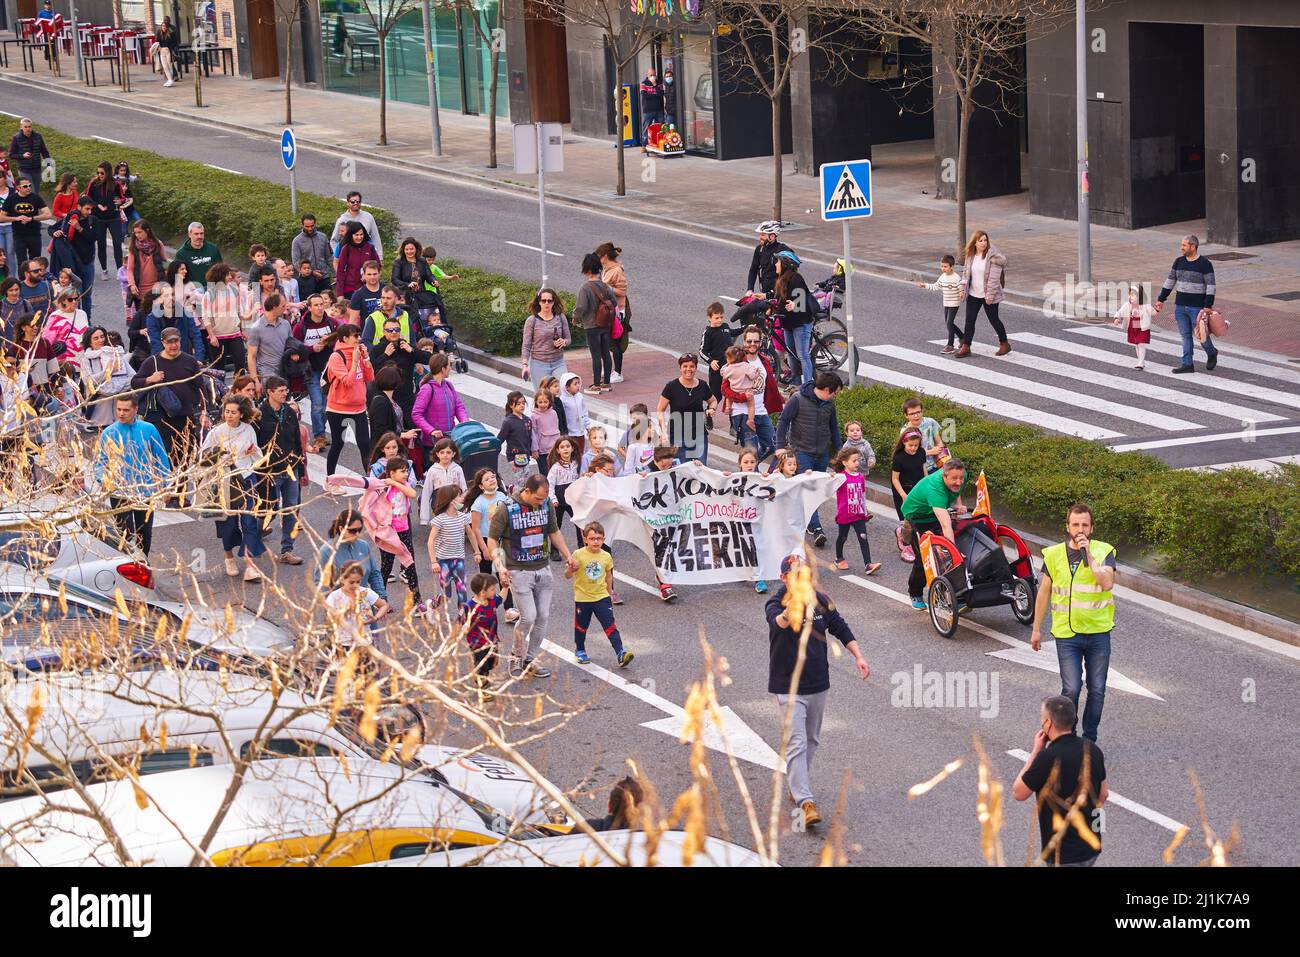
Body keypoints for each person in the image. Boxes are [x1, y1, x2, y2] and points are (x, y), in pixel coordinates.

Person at [767, 553, 870, 829]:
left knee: (812, 740)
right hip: (788, 687)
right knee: (797, 741)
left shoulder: (820, 600)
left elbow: (840, 626)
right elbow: (778, 622)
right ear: (784, 578)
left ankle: (796, 784)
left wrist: (858, 656)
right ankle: (805, 800)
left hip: (817, 682)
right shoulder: (775, 603)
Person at [1030, 503, 1117, 743]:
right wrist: (1036, 629)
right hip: (1067, 635)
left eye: (1085, 525)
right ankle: (1067, 738)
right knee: (1071, 690)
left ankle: (1089, 740)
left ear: (1091, 528)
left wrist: (1087, 555)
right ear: (1067, 526)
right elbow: (1044, 593)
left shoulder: (1103, 551)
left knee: (1097, 689)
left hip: (1098, 633)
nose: (1080, 529)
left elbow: (1107, 583)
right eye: (1075, 524)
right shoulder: (1054, 554)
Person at [487, 473, 578, 679]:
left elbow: (554, 532)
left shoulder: (546, 505)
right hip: (518, 570)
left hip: (542, 568)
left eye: (543, 499)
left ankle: (529, 658)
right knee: (528, 616)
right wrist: (500, 566)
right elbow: (492, 540)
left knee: (543, 616)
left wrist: (568, 555)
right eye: (537, 498)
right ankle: (516, 656)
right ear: (526, 491)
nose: (540, 503)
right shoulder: (507, 508)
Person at [1012, 695, 1108, 867]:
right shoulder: (1093, 749)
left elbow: (1019, 792)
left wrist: (1036, 750)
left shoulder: (1047, 758)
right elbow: (1103, 795)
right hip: (1090, 848)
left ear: (1048, 724)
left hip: (1063, 855)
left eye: (1042, 719)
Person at [201, 393, 268, 583]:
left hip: (246, 479)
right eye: (226, 411)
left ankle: (250, 565)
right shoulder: (216, 432)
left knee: (250, 522)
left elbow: (258, 455)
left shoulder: (248, 430)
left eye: (233, 412)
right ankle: (229, 557)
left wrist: (252, 451)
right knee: (228, 524)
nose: (229, 415)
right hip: (225, 482)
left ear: (241, 414)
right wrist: (221, 457)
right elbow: (203, 456)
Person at [94, 395, 171, 556]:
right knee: (124, 533)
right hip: (118, 491)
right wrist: (104, 480)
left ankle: (144, 562)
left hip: (144, 489)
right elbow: (100, 462)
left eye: (126, 410)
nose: (121, 413)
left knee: (145, 532)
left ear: (136, 410)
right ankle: (127, 563)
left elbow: (161, 459)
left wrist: (166, 486)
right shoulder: (109, 432)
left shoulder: (148, 429)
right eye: (119, 409)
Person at [776, 371, 843, 546]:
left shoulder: (829, 404)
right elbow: (783, 421)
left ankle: (805, 520)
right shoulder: (798, 399)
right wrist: (779, 447)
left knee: (817, 491)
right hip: (802, 452)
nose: (836, 396)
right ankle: (816, 528)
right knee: (810, 489)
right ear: (827, 389)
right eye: (836, 392)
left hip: (821, 453)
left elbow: (834, 427)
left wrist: (841, 452)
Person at [900, 459, 968, 610]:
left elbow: (958, 489)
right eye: (954, 479)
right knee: (926, 558)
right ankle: (915, 593)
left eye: (961, 478)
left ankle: (952, 595)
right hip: (918, 517)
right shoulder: (935, 489)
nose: (959, 481)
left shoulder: (961, 474)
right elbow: (945, 525)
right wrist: (954, 552)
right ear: (944, 477)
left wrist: (958, 503)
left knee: (944, 557)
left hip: (936, 512)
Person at [254, 375, 306, 566]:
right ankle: (254, 536)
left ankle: (287, 550)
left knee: (291, 510)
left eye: (286, 390)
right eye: (281, 390)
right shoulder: (260, 414)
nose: (285, 393)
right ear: (270, 392)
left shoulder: (289, 413)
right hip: (269, 471)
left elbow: (296, 441)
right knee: (269, 509)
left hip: (291, 468)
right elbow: (255, 444)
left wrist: (301, 466)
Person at [567, 521, 632, 667]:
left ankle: (620, 652)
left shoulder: (606, 556)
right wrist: (571, 569)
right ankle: (580, 650)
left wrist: (609, 595)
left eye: (599, 538)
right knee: (581, 626)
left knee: (610, 625)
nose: (595, 541)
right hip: (583, 599)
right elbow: (567, 575)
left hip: (601, 597)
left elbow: (608, 576)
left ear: (603, 539)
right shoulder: (578, 554)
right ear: (585, 540)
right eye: (592, 538)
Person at [1155, 233, 1218, 374]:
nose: (1181, 248)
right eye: (1182, 245)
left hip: (1197, 308)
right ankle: (1187, 364)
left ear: (1193, 246)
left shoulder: (1205, 264)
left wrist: (1208, 305)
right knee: (1185, 335)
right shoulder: (1178, 262)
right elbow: (1170, 282)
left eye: (1184, 245)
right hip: (1180, 307)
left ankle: (1212, 352)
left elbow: (1211, 286)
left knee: (1202, 336)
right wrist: (1161, 299)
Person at [724, 325, 783, 463]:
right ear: (744, 342)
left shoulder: (764, 361)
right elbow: (725, 389)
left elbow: (770, 385)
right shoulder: (737, 361)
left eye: (756, 341)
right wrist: (742, 397)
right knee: (751, 452)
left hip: (761, 412)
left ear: (760, 343)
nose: (752, 344)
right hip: (743, 414)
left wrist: (781, 401)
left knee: (772, 447)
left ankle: (748, 467)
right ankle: (751, 471)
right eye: (749, 341)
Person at [323, 323, 374, 477]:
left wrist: (365, 359)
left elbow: (370, 377)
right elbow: (347, 381)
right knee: (338, 444)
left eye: (359, 335)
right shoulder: (336, 356)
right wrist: (354, 361)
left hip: (358, 407)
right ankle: (330, 479)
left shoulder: (358, 353)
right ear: (345, 338)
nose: (359, 339)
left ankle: (371, 480)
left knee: (365, 445)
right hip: (337, 408)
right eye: (355, 336)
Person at [954, 230, 1010, 357]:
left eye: (985, 240)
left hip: (988, 295)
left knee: (994, 319)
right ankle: (966, 346)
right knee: (969, 321)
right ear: (975, 243)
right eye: (980, 241)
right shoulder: (971, 256)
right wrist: (963, 288)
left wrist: (989, 296)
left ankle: (1004, 344)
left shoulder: (993, 257)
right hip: (974, 294)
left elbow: (994, 280)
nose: (983, 243)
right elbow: (966, 274)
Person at [292, 292, 335, 451]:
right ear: (309, 308)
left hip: (328, 370)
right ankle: (319, 437)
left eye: (321, 304)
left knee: (325, 405)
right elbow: (294, 348)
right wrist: (311, 348)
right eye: (316, 305)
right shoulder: (301, 327)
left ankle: (321, 432)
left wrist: (329, 340)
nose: (319, 307)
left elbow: (340, 338)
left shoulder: (331, 322)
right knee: (317, 404)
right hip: (310, 370)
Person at [657, 353, 716, 465]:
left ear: (696, 368)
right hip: (678, 436)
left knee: (701, 469)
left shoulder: (702, 385)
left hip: (699, 434)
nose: (688, 369)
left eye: (692, 366)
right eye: (685, 366)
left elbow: (713, 400)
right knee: (682, 470)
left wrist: (711, 409)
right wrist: (664, 433)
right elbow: (660, 410)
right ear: (680, 368)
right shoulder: (671, 386)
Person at [317, 507, 387, 598]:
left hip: (364, 605)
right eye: (353, 531)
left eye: (359, 529)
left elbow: (374, 574)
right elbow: (322, 586)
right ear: (341, 528)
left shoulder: (364, 546)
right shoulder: (326, 551)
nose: (357, 534)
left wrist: (382, 597)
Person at [831, 447, 880, 575]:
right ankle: (839, 558)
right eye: (854, 460)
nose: (857, 463)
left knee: (863, 538)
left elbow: (862, 496)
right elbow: (828, 486)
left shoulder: (860, 477)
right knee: (842, 537)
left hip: (858, 515)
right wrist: (832, 477)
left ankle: (868, 564)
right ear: (844, 462)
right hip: (844, 515)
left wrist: (865, 511)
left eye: (858, 460)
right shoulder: (840, 477)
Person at [427, 482, 474, 616]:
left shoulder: (463, 517)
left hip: (459, 560)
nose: (462, 499)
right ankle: (432, 604)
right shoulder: (439, 520)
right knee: (446, 595)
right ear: (451, 500)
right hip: (443, 562)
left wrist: (477, 552)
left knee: (462, 590)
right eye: (459, 496)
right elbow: (430, 541)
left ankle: (463, 617)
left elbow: (470, 534)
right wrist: (433, 561)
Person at [573, 253, 617, 393]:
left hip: (592, 325)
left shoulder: (585, 288)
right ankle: (607, 383)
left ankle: (596, 384)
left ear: (587, 270)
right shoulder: (605, 287)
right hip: (606, 324)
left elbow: (581, 307)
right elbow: (614, 302)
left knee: (596, 354)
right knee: (605, 353)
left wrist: (575, 317)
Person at [412, 352, 467, 461]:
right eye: (449, 365)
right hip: (432, 443)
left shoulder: (449, 386)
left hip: (449, 440)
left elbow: (459, 406)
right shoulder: (427, 389)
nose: (450, 368)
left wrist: (465, 422)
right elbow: (416, 414)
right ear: (443, 368)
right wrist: (431, 431)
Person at [325, 562, 391, 651]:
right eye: (351, 582)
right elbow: (330, 618)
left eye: (358, 581)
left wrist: (375, 618)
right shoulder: (334, 597)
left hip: (365, 642)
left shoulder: (366, 592)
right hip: (344, 643)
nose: (355, 585)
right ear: (342, 579)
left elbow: (384, 605)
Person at [772, 250, 814, 385]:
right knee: (791, 353)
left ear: (785, 264)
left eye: (778, 262)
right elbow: (778, 299)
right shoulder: (781, 280)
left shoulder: (796, 279)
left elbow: (802, 299)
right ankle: (796, 383)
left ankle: (807, 386)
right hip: (788, 323)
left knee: (802, 356)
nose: (775, 265)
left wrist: (795, 305)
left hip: (800, 323)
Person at [464, 572, 506, 698]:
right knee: (483, 667)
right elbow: (460, 623)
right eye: (492, 589)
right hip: (478, 645)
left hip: (492, 640)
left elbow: (501, 598)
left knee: (493, 662)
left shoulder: (491, 601)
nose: (495, 591)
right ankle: (483, 689)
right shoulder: (469, 607)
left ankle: (479, 675)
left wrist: (506, 587)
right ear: (482, 592)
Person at [201, 263, 246, 375]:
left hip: (235, 333)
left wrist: (243, 329)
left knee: (240, 362)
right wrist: (211, 335)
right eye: (227, 275)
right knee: (219, 368)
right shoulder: (209, 294)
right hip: (217, 336)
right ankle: (220, 391)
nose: (230, 277)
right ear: (220, 276)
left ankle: (240, 388)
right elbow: (206, 317)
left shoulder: (233, 290)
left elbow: (240, 311)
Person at [85, 163, 126, 281]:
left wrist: (120, 201)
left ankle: (120, 270)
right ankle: (104, 270)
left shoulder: (116, 184)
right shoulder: (93, 183)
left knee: (117, 244)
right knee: (101, 244)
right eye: (98, 172)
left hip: (114, 218)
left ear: (108, 172)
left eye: (102, 173)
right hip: (98, 219)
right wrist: (97, 205)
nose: (99, 175)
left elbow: (122, 198)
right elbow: (87, 198)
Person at [890, 428, 926, 562]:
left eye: (916, 445)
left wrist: (927, 485)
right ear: (904, 442)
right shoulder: (899, 457)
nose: (913, 448)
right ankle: (906, 547)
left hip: (918, 490)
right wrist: (903, 495)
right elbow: (895, 479)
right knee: (907, 521)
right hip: (903, 491)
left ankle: (902, 534)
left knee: (917, 520)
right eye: (910, 445)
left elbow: (924, 470)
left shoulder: (921, 452)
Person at [915, 253, 963, 353]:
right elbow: (936, 286)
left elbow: (960, 287)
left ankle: (950, 345)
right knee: (948, 323)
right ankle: (962, 337)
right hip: (946, 303)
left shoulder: (956, 277)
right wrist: (925, 285)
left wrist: (962, 293)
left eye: (945, 266)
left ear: (952, 267)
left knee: (949, 323)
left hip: (954, 302)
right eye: (942, 266)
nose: (943, 268)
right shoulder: (942, 277)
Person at [0, 176, 52, 269]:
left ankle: (35, 281)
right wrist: (16, 218)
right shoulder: (11, 199)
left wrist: (32, 218)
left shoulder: (35, 197)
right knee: (22, 262)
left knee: (36, 261)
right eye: (25, 186)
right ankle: (22, 282)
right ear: (18, 188)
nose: (28, 188)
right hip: (18, 235)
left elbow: (48, 214)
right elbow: (1, 217)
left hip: (34, 234)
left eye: (29, 185)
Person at [521, 287, 570, 384]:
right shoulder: (532, 320)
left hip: (558, 362)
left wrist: (564, 342)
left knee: (564, 387)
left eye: (549, 301)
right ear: (539, 302)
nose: (546, 303)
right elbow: (526, 345)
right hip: (539, 363)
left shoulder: (561, 317)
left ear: (553, 302)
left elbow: (568, 339)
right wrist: (525, 365)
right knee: (543, 396)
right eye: (543, 301)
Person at [247, 293, 293, 393]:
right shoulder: (256, 328)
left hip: (285, 372)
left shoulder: (285, 324)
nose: (285, 309)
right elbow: (251, 356)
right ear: (274, 307)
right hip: (267, 375)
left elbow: (291, 346)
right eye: (283, 306)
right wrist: (255, 380)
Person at [596, 243, 629, 382]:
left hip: (616, 311)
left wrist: (606, 287)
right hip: (607, 310)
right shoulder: (606, 269)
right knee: (604, 340)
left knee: (613, 341)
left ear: (604, 256)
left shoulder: (616, 270)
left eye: (599, 256)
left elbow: (622, 291)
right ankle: (609, 367)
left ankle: (618, 372)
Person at [124, 219, 167, 311]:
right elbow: (130, 269)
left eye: (140, 232)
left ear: (147, 231)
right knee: (143, 321)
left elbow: (165, 263)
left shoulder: (158, 244)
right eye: (135, 233)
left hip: (156, 289)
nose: (137, 235)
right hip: (140, 290)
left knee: (156, 319)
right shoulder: (133, 247)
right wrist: (132, 284)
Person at [546, 437, 580, 552]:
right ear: (557, 450)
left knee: (579, 523)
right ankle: (554, 551)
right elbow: (550, 485)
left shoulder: (576, 464)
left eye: (567, 446)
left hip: (573, 501)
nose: (565, 449)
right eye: (562, 447)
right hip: (559, 503)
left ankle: (582, 547)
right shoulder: (555, 468)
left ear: (572, 448)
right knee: (556, 526)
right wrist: (553, 500)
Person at [1113, 282, 1155, 370]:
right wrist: (1117, 318)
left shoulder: (1145, 305)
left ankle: (1140, 362)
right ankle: (1141, 360)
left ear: (1139, 296)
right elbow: (1120, 311)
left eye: (1132, 295)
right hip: (1133, 327)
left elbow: (1153, 312)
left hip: (1143, 328)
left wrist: (1157, 309)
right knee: (1137, 344)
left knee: (1141, 344)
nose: (1130, 297)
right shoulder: (1127, 305)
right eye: (1129, 295)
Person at [331, 191, 383, 263]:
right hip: (348, 259)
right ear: (348, 203)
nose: (355, 203)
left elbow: (375, 238)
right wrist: (338, 255)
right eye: (353, 202)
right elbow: (334, 240)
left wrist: (379, 257)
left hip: (366, 257)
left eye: (358, 201)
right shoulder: (341, 220)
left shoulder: (368, 217)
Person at [719, 344, 760, 432]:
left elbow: (723, 375)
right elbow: (753, 376)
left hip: (734, 390)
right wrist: (757, 373)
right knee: (751, 405)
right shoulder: (746, 366)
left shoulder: (728, 368)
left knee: (728, 398)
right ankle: (750, 420)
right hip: (746, 391)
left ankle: (728, 408)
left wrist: (727, 366)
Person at [901, 396, 945, 474]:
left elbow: (939, 442)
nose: (916, 416)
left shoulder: (930, 422)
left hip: (935, 465)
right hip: (917, 468)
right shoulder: (905, 431)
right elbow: (908, 453)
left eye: (918, 412)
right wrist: (930, 452)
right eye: (912, 414)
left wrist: (940, 450)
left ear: (922, 411)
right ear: (906, 415)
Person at [335, 224, 379, 301]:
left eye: (361, 234)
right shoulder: (346, 249)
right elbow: (340, 272)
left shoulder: (370, 247)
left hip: (368, 287)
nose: (359, 237)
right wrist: (340, 294)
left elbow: (377, 265)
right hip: (350, 289)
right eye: (356, 235)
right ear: (351, 235)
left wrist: (367, 275)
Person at [699, 301, 731, 406]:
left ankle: (733, 420)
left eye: (721, 317)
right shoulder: (708, 332)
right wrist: (711, 361)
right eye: (717, 318)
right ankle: (708, 416)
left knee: (731, 394)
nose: (720, 320)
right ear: (709, 317)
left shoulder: (725, 326)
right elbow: (702, 351)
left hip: (730, 366)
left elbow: (732, 332)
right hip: (716, 369)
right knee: (716, 396)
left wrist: (744, 328)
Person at [172, 223, 222, 287]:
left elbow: (221, 270)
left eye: (201, 233)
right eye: (196, 234)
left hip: (212, 287)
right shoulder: (182, 253)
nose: (199, 237)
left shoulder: (213, 249)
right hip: (193, 289)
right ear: (189, 234)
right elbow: (179, 275)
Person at [292, 213, 334, 289]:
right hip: (307, 280)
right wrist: (311, 272)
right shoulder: (297, 241)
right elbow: (296, 262)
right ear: (302, 225)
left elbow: (329, 258)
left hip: (324, 277)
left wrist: (335, 274)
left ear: (315, 224)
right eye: (307, 226)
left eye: (312, 226)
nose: (310, 228)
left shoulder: (323, 237)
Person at [7, 119, 49, 187]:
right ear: (21, 126)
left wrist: (48, 164)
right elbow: (11, 155)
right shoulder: (16, 138)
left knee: (36, 191)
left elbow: (44, 151)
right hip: (24, 170)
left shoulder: (38, 136)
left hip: (37, 168)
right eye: (25, 127)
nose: (28, 129)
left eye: (29, 126)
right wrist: (23, 156)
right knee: (30, 191)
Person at [557, 372, 590, 459]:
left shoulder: (580, 397)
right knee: (571, 455)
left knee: (580, 453)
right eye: (575, 384)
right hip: (570, 433)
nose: (578, 385)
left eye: (578, 383)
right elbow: (562, 417)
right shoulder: (563, 400)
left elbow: (584, 411)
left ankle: (579, 470)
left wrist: (587, 426)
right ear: (566, 387)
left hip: (580, 432)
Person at [530, 389, 561, 476]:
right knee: (545, 473)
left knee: (555, 472)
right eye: (540, 402)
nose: (543, 404)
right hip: (542, 451)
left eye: (545, 402)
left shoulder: (553, 413)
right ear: (536, 402)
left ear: (549, 402)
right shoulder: (534, 416)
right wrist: (534, 450)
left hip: (554, 449)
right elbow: (533, 434)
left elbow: (556, 429)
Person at [638, 67, 666, 151]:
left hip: (659, 110)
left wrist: (655, 86)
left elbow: (661, 94)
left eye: (654, 75)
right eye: (651, 75)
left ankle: (660, 144)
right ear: (647, 75)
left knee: (661, 127)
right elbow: (645, 96)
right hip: (648, 110)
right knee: (646, 128)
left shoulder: (659, 83)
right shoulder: (644, 83)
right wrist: (655, 95)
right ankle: (644, 145)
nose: (653, 77)